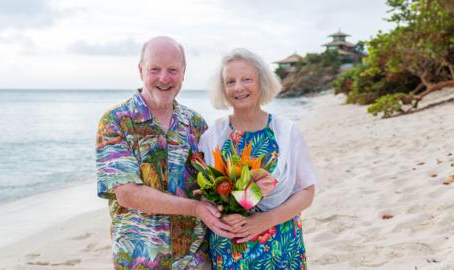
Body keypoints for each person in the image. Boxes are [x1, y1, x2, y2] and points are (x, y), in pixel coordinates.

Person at [96, 36, 234, 270]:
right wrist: (195, 208)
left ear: (183, 73)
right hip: (140, 261)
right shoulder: (116, 121)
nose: (164, 78)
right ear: (141, 71)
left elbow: (214, 185)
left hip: (195, 260)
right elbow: (128, 194)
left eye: (172, 70)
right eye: (155, 69)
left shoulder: (196, 124)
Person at [199, 48, 317, 269]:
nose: (238, 87)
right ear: (223, 89)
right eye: (230, 81)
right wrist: (222, 216)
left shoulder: (286, 131)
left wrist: (266, 220)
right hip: (231, 248)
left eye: (247, 79)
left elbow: (306, 193)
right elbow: (205, 195)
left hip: (280, 244)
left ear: (261, 83)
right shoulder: (213, 135)